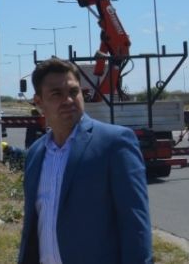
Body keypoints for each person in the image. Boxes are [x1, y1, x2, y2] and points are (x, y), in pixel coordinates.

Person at [18, 58, 152, 264]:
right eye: (56, 94)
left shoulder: (114, 143)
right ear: (38, 101)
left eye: (73, 92)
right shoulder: (36, 153)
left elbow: (135, 224)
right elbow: (33, 225)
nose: (68, 100)